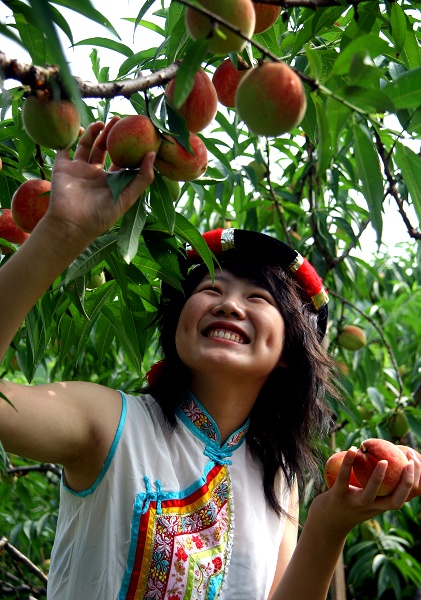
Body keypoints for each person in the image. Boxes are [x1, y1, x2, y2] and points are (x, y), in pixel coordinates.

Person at [0, 117, 419, 600]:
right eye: (210, 289)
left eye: (259, 298)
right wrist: (58, 235)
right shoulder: (111, 424)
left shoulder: (278, 481)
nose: (230, 304)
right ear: (178, 325)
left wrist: (330, 525)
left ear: (288, 353)